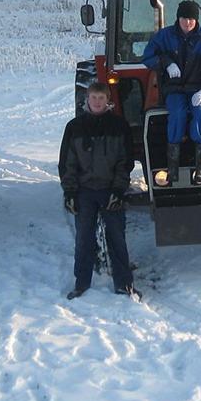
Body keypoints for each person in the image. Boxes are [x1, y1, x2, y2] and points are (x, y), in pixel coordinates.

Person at [58, 81, 139, 300]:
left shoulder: (119, 126)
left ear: (108, 101)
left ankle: (124, 284)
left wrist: (119, 190)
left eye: (101, 98)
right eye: (93, 98)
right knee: (84, 240)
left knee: (117, 239)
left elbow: (125, 162)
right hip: (84, 193)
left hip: (109, 191)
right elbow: (67, 163)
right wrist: (70, 192)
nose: (96, 102)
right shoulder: (75, 127)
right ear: (87, 100)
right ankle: (81, 283)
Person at [142, 0, 201, 185]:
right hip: (174, 89)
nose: (187, 23)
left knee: (200, 113)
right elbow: (147, 56)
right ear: (178, 18)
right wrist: (166, 63)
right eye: (184, 18)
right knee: (177, 113)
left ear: (196, 20)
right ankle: (172, 167)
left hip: (199, 89)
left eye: (191, 19)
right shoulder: (164, 36)